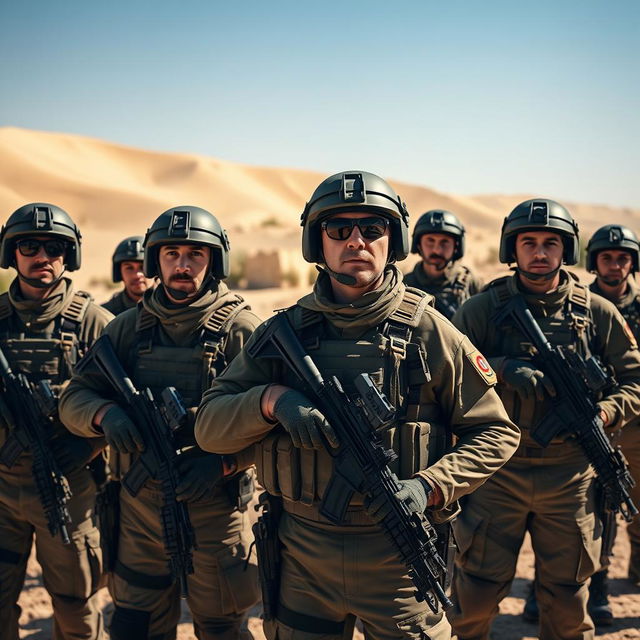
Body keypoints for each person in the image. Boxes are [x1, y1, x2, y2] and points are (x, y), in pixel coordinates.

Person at [194, 171, 520, 640]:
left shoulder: (430, 331)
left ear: (394, 239)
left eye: (372, 229)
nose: (356, 242)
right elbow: (210, 428)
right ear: (316, 242)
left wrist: (428, 486)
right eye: (339, 230)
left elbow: (497, 432)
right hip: (302, 560)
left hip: (398, 561)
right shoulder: (282, 334)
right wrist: (271, 400)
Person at [59, 206, 261, 640]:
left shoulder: (241, 330)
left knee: (221, 626)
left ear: (214, 262)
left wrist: (225, 463)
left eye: (195, 254)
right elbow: (75, 397)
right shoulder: (126, 329)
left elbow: (271, 424)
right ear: (156, 260)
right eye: (171, 253)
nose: (183, 265)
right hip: (139, 516)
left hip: (214, 513)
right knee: (136, 627)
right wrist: (104, 415)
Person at [448, 199, 640, 640]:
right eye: (528, 242)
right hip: (497, 471)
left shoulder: (597, 313)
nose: (539, 252)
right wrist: (499, 369)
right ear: (510, 249)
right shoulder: (480, 310)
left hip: (570, 475)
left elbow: (634, 379)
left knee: (569, 602)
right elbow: (447, 374)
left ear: (566, 249)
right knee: (474, 596)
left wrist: (606, 411)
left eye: (550, 243)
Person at [0, 202, 113, 639]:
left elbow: (122, 406)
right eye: (29, 245)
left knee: (76, 607)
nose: (42, 256)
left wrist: (88, 444)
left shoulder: (93, 322)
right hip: (3, 487)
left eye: (54, 247)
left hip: (70, 487)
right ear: (12, 253)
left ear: (70, 256)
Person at [403, 209, 483, 319]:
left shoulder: (471, 283)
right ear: (418, 244)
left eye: (444, 242)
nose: (437, 250)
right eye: (430, 240)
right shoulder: (404, 286)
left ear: (456, 246)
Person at [102, 236, 151, 315]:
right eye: (129, 268)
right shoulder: (105, 314)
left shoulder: (170, 310)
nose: (137, 275)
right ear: (119, 272)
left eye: (143, 267)